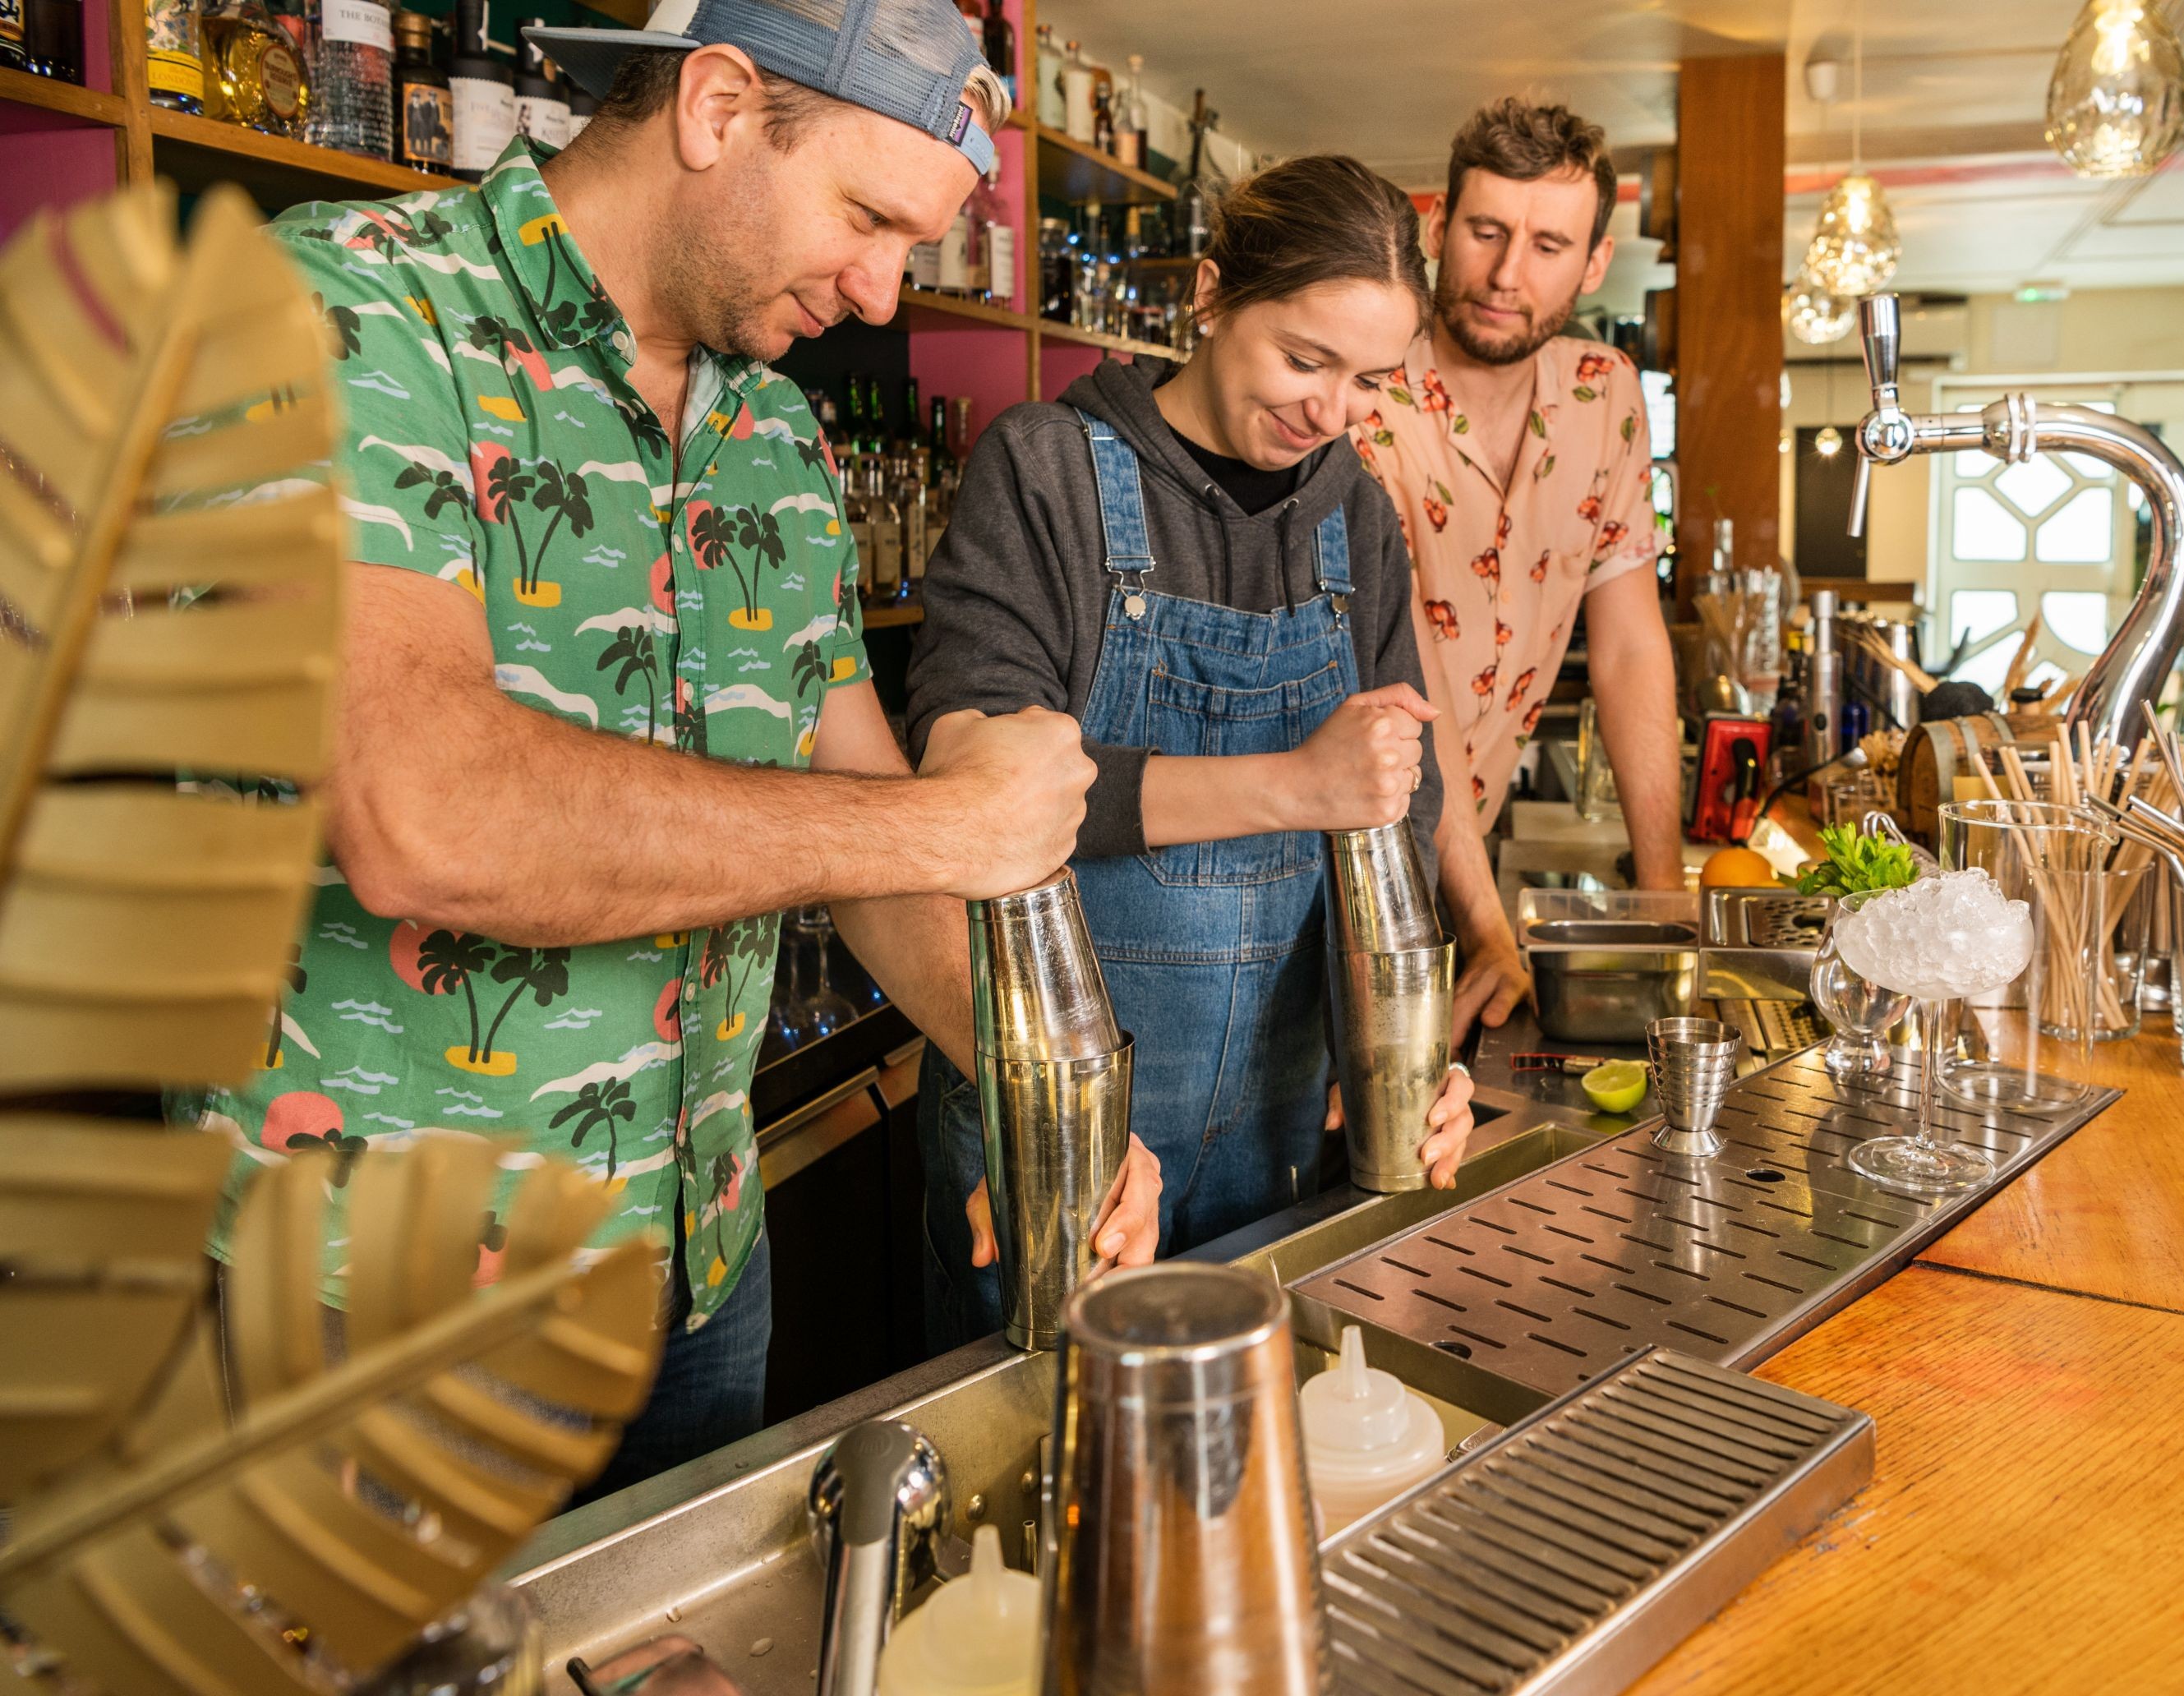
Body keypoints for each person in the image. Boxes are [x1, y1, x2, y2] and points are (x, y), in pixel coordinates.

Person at [174, 0, 1161, 1503]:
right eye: (867, 217)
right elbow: (423, 814)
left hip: (698, 1275)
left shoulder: (776, 435)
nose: (888, 295)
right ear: (715, 108)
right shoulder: (346, 315)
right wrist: (944, 828)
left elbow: (863, 815)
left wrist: (1058, 1103)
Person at [906, 154, 1481, 1350]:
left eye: (1369, 380)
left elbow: (1393, 809)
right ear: (1212, 295)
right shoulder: (1045, 472)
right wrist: (1294, 786)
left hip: (1289, 1129)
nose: (1332, 413)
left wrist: (1400, 1048)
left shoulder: (1356, 516)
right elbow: (974, 793)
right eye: (1304, 360)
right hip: (1074, 1127)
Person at [1352, 99, 1682, 1046]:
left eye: (1547, 245)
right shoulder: (1364, 386)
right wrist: (1488, 925)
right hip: (1331, 861)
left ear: (1594, 263)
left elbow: (1627, 646)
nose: (1505, 275)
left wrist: (1664, 905)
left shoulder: (1605, 393)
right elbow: (1403, 668)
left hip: (1465, 853)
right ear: (1438, 227)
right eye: (1486, 232)